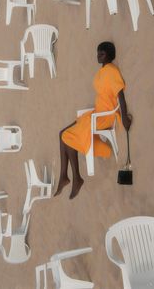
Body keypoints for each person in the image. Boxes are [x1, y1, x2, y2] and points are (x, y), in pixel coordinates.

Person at [54, 41, 132, 199]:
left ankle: (75, 177)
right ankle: (65, 175)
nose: (98, 56)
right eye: (98, 53)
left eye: (102, 54)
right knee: (62, 133)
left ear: (110, 55)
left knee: (66, 136)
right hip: (96, 113)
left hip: (105, 116)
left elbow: (120, 95)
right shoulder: (102, 71)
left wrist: (123, 117)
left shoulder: (111, 71)